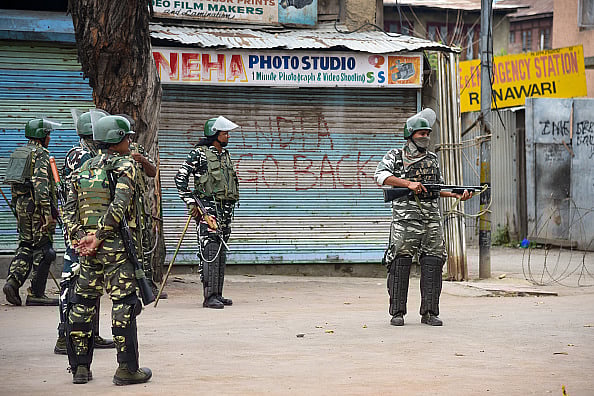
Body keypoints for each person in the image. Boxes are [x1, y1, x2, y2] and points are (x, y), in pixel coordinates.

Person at [63, 111, 151, 385]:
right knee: (124, 304)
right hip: (116, 248)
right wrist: (99, 237)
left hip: (88, 251)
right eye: (127, 137)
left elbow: (68, 210)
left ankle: (80, 369)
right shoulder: (125, 166)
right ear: (117, 140)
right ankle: (127, 369)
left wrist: (81, 239)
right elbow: (120, 205)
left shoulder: (84, 168)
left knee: (82, 304)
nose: (129, 142)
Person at [374, 108, 473, 327]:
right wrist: (408, 184)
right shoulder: (395, 155)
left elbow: (437, 188)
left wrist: (458, 194)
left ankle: (429, 313)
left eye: (428, 133)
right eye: (421, 134)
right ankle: (397, 313)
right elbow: (380, 176)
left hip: (431, 221)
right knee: (400, 265)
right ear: (410, 135)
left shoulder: (433, 159)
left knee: (434, 263)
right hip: (405, 222)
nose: (426, 137)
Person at [53, 110, 115, 354]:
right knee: (73, 281)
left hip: (84, 230)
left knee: (89, 283)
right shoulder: (81, 157)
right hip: (80, 231)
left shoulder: (85, 153)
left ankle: (91, 333)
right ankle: (64, 336)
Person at [175, 116, 239, 309]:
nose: (228, 136)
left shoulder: (225, 154)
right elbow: (180, 179)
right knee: (210, 249)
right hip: (208, 210)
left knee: (221, 250)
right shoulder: (199, 154)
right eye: (224, 133)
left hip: (225, 209)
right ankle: (209, 296)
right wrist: (191, 203)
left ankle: (218, 294)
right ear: (214, 134)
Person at [3, 118, 60, 307]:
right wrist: (47, 214)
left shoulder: (20, 152)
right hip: (36, 208)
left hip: (21, 206)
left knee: (26, 245)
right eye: (48, 134)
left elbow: (12, 183)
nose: (50, 138)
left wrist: (18, 209)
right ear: (42, 135)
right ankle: (36, 293)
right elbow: (41, 186)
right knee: (45, 250)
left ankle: (12, 282)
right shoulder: (41, 154)